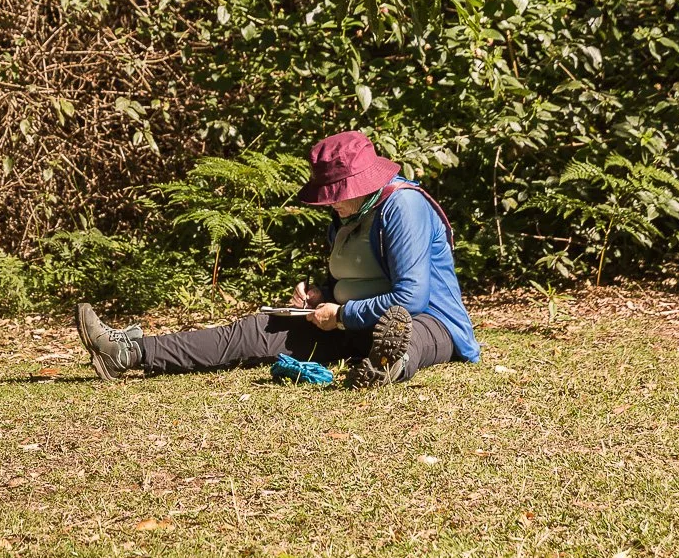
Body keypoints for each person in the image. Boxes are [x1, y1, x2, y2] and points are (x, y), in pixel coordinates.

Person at [77, 131, 479, 388]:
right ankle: (130, 352)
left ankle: (388, 363)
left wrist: (340, 315)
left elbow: (411, 298)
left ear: (364, 184)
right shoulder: (346, 213)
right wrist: (321, 292)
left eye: (336, 193)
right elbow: (356, 272)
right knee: (255, 330)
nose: (330, 203)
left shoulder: (403, 206)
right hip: (350, 320)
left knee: (409, 333)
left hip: (431, 323)